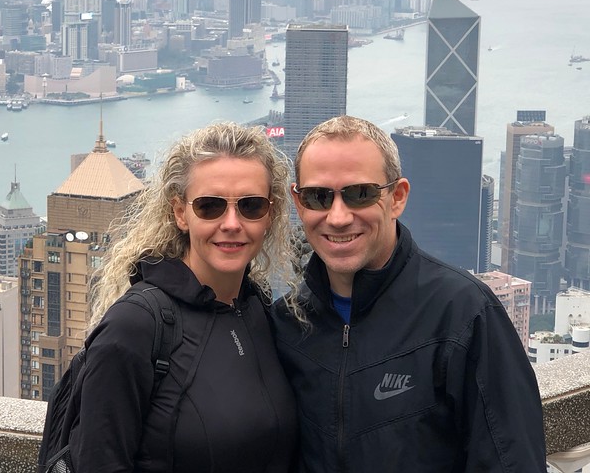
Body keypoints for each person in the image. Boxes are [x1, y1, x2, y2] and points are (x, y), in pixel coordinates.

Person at [271, 115, 546, 472]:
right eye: (318, 197)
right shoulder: (287, 322)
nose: (337, 217)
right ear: (298, 202)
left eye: (359, 194)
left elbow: (513, 463)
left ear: (397, 197)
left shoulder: (463, 313)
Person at [69, 121, 298, 472]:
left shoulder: (258, 308)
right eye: (210, 206)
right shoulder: (135, 327)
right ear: (180, 213)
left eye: (251, 205)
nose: (233, 223)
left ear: (270, 213)